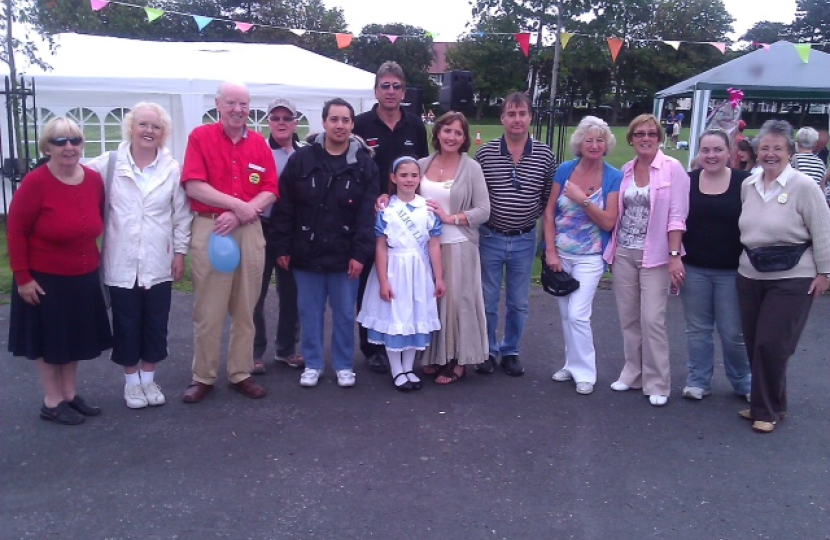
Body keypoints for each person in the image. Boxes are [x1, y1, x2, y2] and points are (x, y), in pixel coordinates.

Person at [7, 117, 113, 425]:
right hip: (44, 278)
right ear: (47, 147)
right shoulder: (35, 183)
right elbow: (15, 231)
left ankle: (69, 395)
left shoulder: (93, 179)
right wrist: (23, 278)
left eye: (75, 140)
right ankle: (51, 401)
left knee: (74, 339)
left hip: (82, 276)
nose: (69, 147)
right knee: (50, 341)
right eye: (60, 141)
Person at [86, 103, 191, 409]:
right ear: (130, 127)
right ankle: (131, 383)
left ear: (163, 133)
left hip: (159, 259)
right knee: (126, 322)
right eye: (143, 125)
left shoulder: (172, 169)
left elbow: (181, 215)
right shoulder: (109, 164)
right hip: (121, 260)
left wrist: (181, 252)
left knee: (156, 322)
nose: (149, 131)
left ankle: (149, 379)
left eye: (155, 127)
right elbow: (75, 182)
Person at [180, 81, 277, 403]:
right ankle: (203, 376)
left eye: (244, 105)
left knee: (246, 307)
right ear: (218, 105)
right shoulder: (200, 137)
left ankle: (240, 372)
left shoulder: (260, 143)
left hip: (248, 230)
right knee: (209, 309)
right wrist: (236, 206)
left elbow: (270, 189)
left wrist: (241, 213)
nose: (238, 110)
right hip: (212, 229)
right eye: (232, 103)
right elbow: (193, 185)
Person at [272, 98, 379, 388]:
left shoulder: (365, 164)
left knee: (345, 313)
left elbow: (367, 216)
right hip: (306, 252)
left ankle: (344, 364)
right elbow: (285, 207)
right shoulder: (301, 160)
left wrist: (360, 253)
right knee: (309, 311)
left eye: (345, 120)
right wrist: (282, 246)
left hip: (346, 255)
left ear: (352, 124)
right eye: (334, 119)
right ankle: (314, 363)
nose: (340, 125)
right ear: (324, 122)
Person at [736, 120, 830, 433]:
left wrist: (825, 272)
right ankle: (775, 402)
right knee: (754, 343)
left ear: (790, 151)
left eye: (778, 148)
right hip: (750, 274)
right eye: (765, 148)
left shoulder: (804, 186)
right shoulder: (749, 185)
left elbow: (823, 230)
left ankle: (766, 411)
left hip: (794, 276)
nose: (770, 153)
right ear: (756, 151)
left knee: (772, 344)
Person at [603, 114, 690, 407]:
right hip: (624, 251)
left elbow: (677, 217)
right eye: (639, 133)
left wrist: (675, 256)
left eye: (651, 133)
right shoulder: (626, 170)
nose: (646, 138)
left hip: (655, 255)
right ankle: (634, 371)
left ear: (660, 137)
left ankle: (658, 381)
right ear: (631, 138)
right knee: (629, 318)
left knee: (652, 319)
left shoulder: (672, 169)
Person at [353, 61, 429, 375]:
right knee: (371, 284)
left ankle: (404, 342)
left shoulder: (415, 125)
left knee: (405, 283)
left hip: (407, 219)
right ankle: (372, 347)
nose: (391, 91)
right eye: (385, 86)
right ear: (376, 90)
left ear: (404, 91)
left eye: (397, 86)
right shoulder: (360, 124)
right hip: (371, 215)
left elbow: (421, 171)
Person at [473, 92, 556, 377]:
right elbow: (476, 195)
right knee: (487, 299)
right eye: (511, 114)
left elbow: (548, 199)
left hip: (523, 239)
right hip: (490, 237)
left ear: (530, 117)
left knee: (518, 301)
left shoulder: (545, 154)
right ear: (502, 118)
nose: (517, 119)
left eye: (522, 114)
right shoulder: (486, 154)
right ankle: (487, 351)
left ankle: (511, 350)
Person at [543, 116, 621, 395]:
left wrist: (582, 199)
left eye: (600, 140)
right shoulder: (565, 170)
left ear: (607, 144)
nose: (594, 144)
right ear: (580, 143)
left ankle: (586, 372)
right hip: (561, 254)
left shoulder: (613, 176)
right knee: (566, 314)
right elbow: (550, 212)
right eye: (589, 139)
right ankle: (571, 364)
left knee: (578, 314)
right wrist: (551, 251)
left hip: (591, 256)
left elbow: (609, 222)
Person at [357, 156, 445, 392]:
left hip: (419, 272)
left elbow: (434, 245)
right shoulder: (387, 210)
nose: (409, 180)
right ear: (393, 178)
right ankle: (397, 370)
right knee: (396, 318)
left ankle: (409, 367)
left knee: (415, 317)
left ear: (420, 178)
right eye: (403, 175)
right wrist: (384, 280)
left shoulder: (427, 208)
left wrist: (439, 277)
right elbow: (381, 246)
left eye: (414, 175)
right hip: (395, 270)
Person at [679, 129, 751, 402]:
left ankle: (743, 381)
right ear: (699, 153)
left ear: (729, 152)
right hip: (694, 268)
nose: (711, 156)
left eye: (717, 150)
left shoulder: (745, 182)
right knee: (697, 329)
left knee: (733, 332)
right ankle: (698, 379)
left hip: (733, 270)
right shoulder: (687, 181)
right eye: (706, 150)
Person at [419, 111, 491, 384]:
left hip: (460, 245)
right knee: (433, 303)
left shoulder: (470, 168)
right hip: (427, 247)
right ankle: (434, 356)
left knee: (459, 302)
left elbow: (484, 209)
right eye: (447, 130)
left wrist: (452, 218)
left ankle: (459, 361)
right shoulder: (422, 164)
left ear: (464, 139)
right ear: (437, 132)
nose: (451, 136)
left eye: (458, 133)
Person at [252, 98, 305, 375]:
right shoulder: (258, 150)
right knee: (254, 293)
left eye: (287, 118)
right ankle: (254, 350)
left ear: (296, 122)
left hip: (292, 232)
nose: (281, 123)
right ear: (268, 122)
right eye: (276, 118)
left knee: (291, 293)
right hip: (260, 226)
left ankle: (286, 349)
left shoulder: (304, 153)